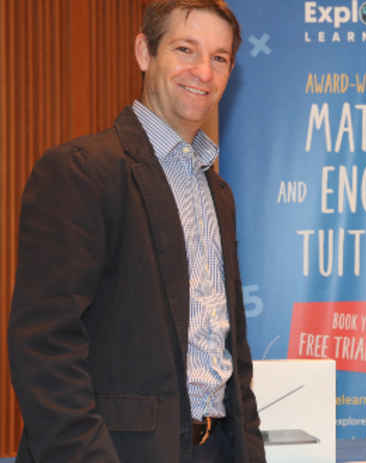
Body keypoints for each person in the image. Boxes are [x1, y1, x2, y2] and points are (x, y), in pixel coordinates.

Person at [7, 1, 266, 462]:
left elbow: (232, 351)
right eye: (186, 49)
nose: (203, 72)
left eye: (220, 58)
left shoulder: (218, 192)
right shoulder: (81, 172)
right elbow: (45, 350)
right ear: (144, 52)